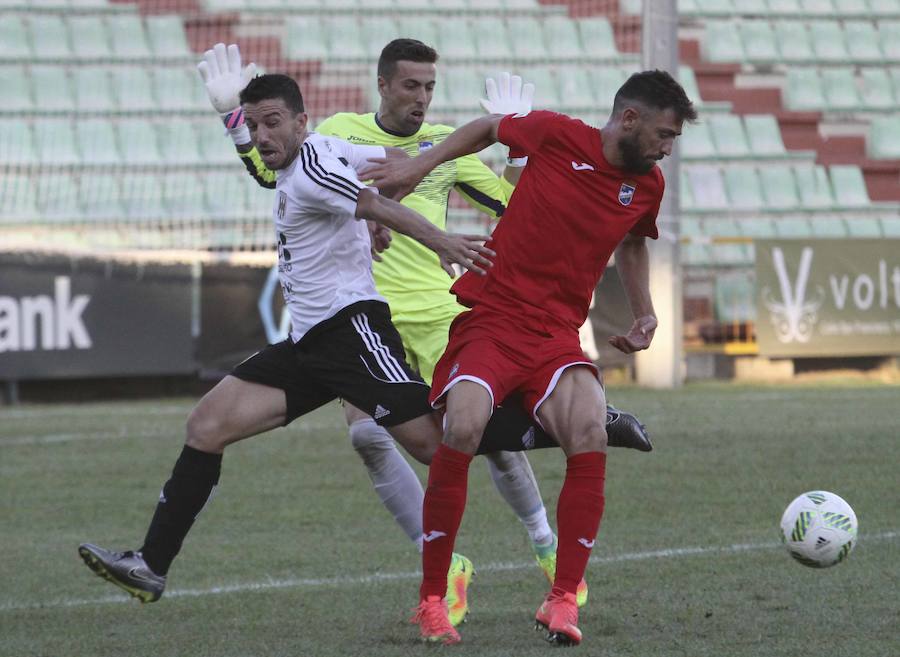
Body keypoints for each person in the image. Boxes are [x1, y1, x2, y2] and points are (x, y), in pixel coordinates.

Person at [199, 39, 651, 624]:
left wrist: (517, 156)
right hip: (363, 317)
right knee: (368, 440)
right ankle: (445, 566)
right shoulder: (341, 131)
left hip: (439, 313)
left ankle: (545, 544)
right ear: (383, 85)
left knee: (482, 435)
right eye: (411, 86)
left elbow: (517, 208)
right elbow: (273, 172)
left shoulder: (445, 145)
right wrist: (234, 119)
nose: (421, 98)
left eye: (430, 88)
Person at [77, 72, 497, 609]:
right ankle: (151, 565)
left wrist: (441, 238)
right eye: (254, 126)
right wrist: (236, 122)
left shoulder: (315, 168)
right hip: (307, 346)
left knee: (435, 445)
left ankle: (564, 422)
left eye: (272, 122)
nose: (262, 136)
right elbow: (384, 177)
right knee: (207, 424)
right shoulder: (321, 151)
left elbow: (370, 202)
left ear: (302, 121)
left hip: (352, 333)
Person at [364, 69, 697, 646]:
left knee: (590, 426)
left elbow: (635, 241)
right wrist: (415, 168)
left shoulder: (648, 186)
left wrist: (644, 311)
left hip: (557, 334)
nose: (668, 148)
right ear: (629, 120)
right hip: (494, 318)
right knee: (462, 425)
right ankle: (432, 599)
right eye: (664, 135)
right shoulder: (555, 135)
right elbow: (489, 127)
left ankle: (563, 599)